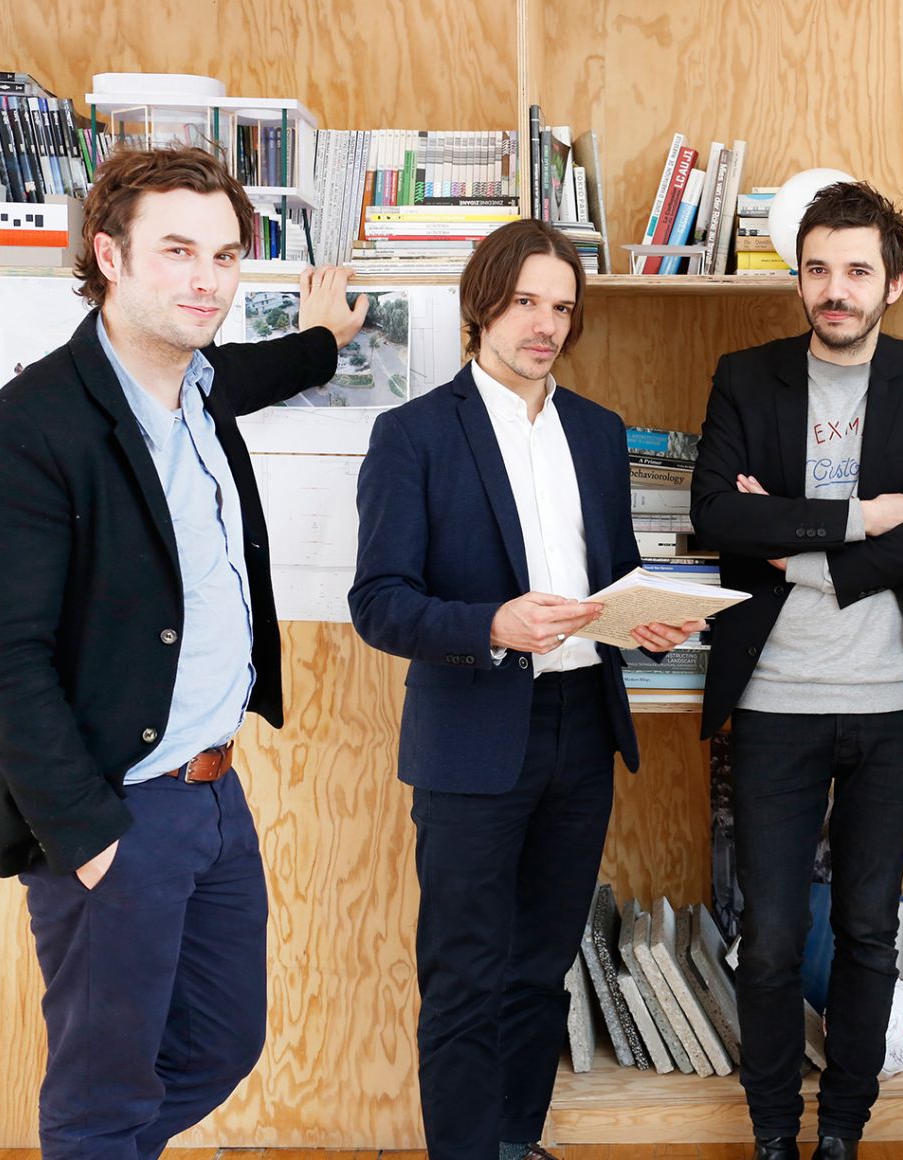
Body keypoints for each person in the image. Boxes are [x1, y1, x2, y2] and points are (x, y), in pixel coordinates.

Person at [0, 144, 366, 1158]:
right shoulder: (31, 427)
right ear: (109, 255)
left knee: (223, 1042)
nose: (206, 281)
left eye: (224, 257)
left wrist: (325, 338)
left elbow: (269, 366)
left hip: (215, 795)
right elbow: (2, 661)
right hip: (115, 807)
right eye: (177, 251)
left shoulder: (206, 384)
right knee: (101, 1093)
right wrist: (91, 837)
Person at [347, 218, 703, 1160]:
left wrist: (647, 625)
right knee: (464, 976)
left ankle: (515, 1142)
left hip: (583, 729)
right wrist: (491, 624)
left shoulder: (597, 431)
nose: (546, 325)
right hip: (473, 736)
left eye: (562, 308)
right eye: (525, 303)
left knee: (541, 967)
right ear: (482, 306)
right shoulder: (414, 435)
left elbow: (612, 579)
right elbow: (378, 604)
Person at [690, 181, 903, 1159]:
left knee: (866, 929)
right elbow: (718, 516)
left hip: (892, 703)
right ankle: (775, 1131)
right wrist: (863, 518)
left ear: (893, 283)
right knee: (771, 935)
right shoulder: (747, 378)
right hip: (774, 699)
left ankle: (844, 1129)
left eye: (857, 270)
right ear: (799, 277)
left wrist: (803, 554)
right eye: (817, 268)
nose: (834, 288)